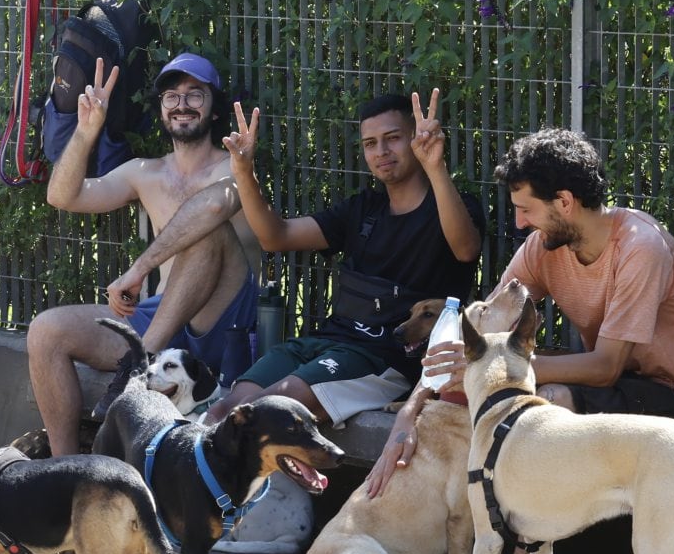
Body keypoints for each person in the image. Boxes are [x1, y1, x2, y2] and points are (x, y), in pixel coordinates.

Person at [367, 127, 674, 554]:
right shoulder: (543, 245)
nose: (518, 223)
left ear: (565, 202)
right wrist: (411, 410)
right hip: (614, 387)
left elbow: (605, 366)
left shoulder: (640, 247)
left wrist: (495, 368)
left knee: (547, 405)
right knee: (512, 395)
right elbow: (482, 333)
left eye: (526, 210)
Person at [194, 90, 484, 427]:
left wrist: (435, 167)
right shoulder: (362, 209)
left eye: (393, 138)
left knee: (262, 413)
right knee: (225, 408)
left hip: (384, 360)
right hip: (326, 343)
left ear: (415, 139)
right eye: (370, 143)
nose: (381, 151)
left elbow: (466, 249)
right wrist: (244, 171)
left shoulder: (453, 205)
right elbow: (275, 237)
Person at [25, 53, 261, 456]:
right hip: (160, 318)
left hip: (222, 324)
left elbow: (213, 208)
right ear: (161, 108)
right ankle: (66, 471)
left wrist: (139, 268)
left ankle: (136, 365)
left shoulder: (235, 167)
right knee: (46, 330)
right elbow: (63, 196)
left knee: (209, 231)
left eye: (195, 95)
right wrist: (86, 131)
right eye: (172, 96)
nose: (182, 105)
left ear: (214, 108)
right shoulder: (145, 172)